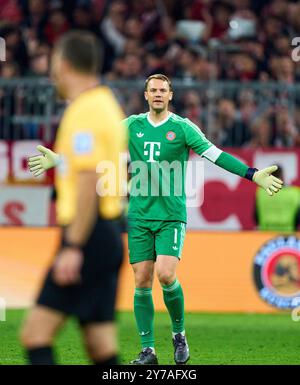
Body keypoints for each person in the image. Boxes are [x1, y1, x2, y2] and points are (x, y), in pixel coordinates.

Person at [29, 73, 283, 365]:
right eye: (153, 90)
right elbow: (97, 149)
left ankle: (179, 334)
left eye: (163, 90)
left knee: (166, 273)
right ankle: (148, 350)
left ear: (171, 95)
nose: (158, 94)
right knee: (141, 279)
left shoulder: (183, 128)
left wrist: (252, 174)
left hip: (171, 216)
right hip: (138, 215)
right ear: (146, 95)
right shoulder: (131, 126)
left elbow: (216, 155)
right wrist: (59, 160)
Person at [21, 31, 126, 365]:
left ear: (63, 65)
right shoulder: (105, 105)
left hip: (88, 234)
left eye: (53, 64)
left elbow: (87, 179)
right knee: (100, 345)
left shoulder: (85, 112)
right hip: (106, 232)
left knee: (35, 335)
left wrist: (73, 246)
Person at [255, 165, 300, 232]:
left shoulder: (261, 192)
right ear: (283, 176)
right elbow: (298, 217)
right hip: (288, 234)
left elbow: (256, 216)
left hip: (265, 234)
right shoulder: (295, 193)